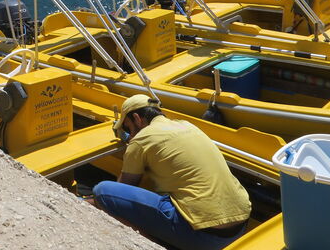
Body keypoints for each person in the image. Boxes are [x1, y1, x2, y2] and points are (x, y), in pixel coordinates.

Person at [90, 95, 250, 250]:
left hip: (203, 237)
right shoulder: (188, 125)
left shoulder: (140, 140)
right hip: (241, 224)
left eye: (128, 128)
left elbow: (121, 190)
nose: (130, 134)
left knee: (102, 191)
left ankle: (154, 245)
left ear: (137, 119)